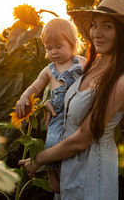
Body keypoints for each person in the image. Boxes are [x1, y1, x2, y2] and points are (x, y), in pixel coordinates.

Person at [19, 0, 124, 199]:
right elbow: (67, 98)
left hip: (91, 172)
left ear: (123, 33)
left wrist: (38, 159)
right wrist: (49, 105)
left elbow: (81, 140)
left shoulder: (122, 82)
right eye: (94, 25)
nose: (97, 33)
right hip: (68, 167)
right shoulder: (93, 64)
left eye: (107, 26)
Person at [15, 17, 86, 192]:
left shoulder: (82, 62)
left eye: (58, 47)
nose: (53, 52)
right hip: (57, 114)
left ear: (72, 44)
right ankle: (51, 173)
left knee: (75, 148)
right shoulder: (49, 70)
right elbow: (34, 87)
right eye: (49, 48)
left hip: (78, 110)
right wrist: (24, 98)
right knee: (53, 141)